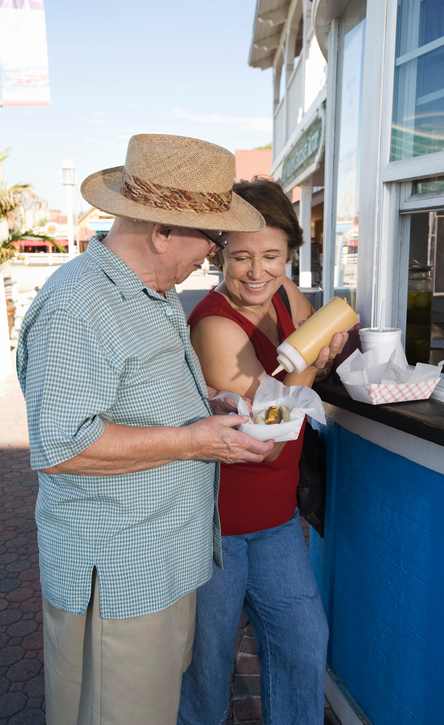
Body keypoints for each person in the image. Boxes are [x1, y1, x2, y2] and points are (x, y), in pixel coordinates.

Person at [16, 135, 275, 725]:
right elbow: (63, 446)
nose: (212, 256)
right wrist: (195, 440)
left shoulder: (148, 291)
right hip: (120, 576)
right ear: (160, 231)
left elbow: (132, 397)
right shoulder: (78, 306)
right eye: (211, 240)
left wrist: (206, 402)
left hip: (161, 564)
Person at [177, 177, 348, 725]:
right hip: (217, 528)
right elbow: (265, 441)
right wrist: (313, 363)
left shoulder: (283, 295)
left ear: (291, 253)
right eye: (242, 255)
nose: (257, 271)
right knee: (206, 671)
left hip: (275, 519)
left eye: (272, 255)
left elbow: (315, 360)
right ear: (221, 250)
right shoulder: (212, 326)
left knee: (303, 644)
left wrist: (327, 349)